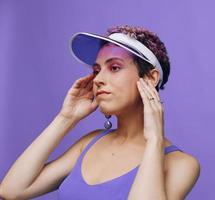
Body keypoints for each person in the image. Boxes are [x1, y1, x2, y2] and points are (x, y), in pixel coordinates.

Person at [0, 25, 201, 200]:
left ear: (150, 78)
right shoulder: (89, 143)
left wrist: (155, 140)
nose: (97, 79)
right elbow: (11, 191)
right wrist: (66, 118)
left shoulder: (180, 164)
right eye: (96, 70)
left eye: (114, 68)